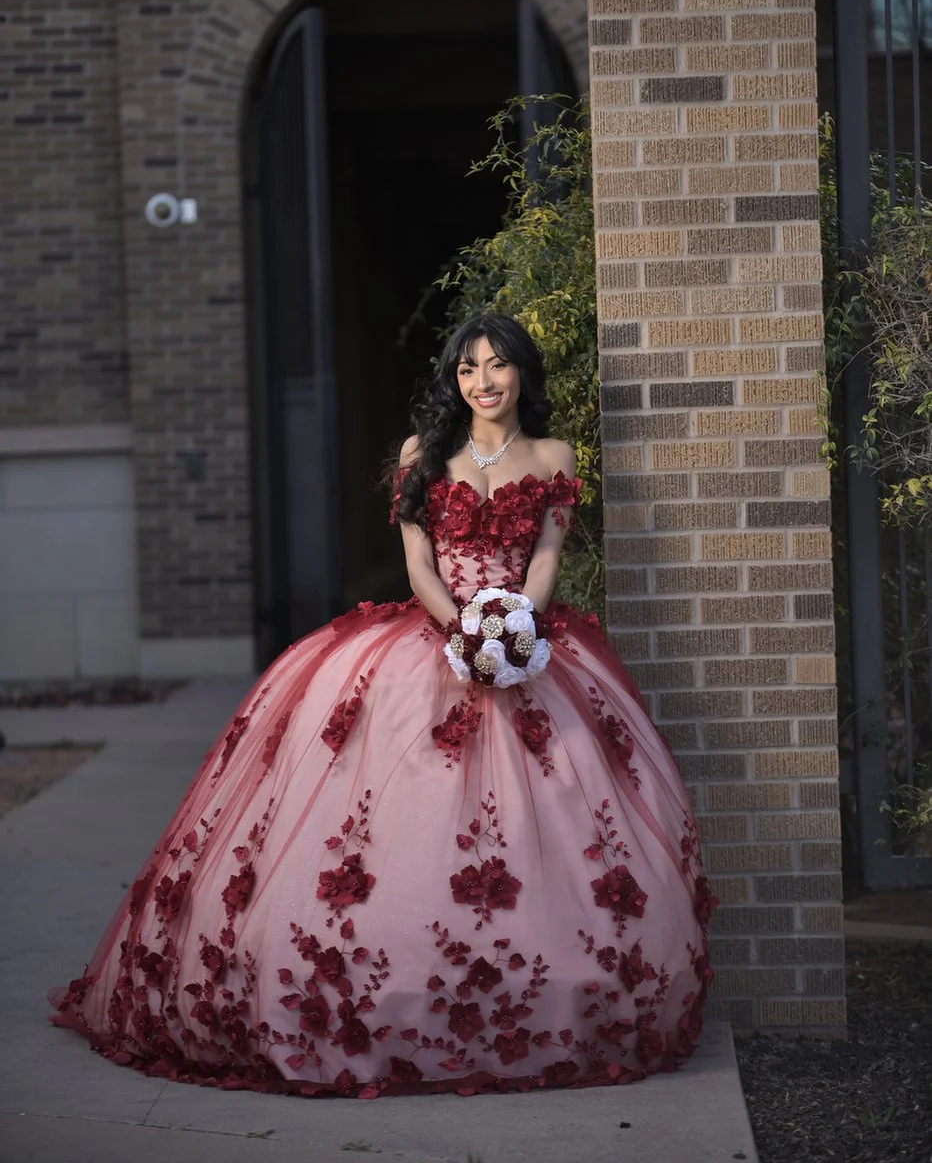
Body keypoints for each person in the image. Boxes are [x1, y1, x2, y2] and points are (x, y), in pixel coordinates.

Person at [50, 312, 714, 1097]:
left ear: (523, 375)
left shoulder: (553, 455)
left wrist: (515, 631)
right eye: (468, 369)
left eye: (498, 366)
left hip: (527, 642)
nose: (484, 382)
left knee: (565, 822)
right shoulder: (421, 454)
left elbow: (544, 559)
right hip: (434, 637)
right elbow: (419, 566)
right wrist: (466, 634)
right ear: (453, 380)